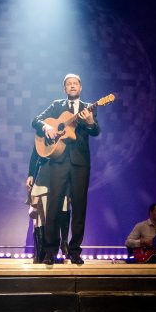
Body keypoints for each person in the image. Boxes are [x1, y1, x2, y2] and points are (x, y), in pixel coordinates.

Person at [32, 73, 101, 265]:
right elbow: (35, 121)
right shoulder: (56, 106)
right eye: (68, 84)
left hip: (80, 163)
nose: (72, 86)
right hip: (59, 161)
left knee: (79, 207)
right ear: (65, 89)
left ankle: (75, 251)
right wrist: (46, 126)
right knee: (53, 206)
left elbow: (95, 131)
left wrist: (90, 123)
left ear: (80, 88)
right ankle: (49, 252)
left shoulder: (88, 108)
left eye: (75, 83)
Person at [25, 152, 70, 263]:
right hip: (45, 172)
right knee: (43, 217)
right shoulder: (41, 135)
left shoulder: (66, 135)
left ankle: (63, 243)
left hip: (62, 172)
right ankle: (45, 253)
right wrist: (31, 174)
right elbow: (35, 154)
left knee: (63, 208)